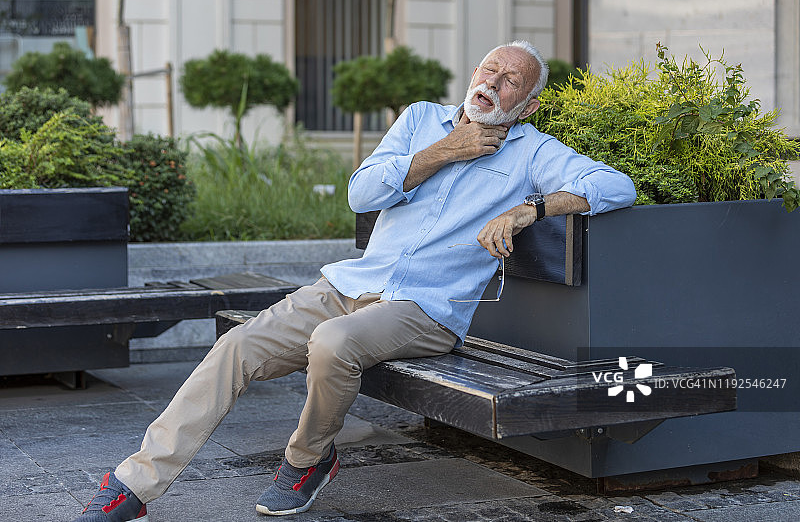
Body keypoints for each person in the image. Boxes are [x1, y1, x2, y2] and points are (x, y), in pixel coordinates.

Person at [72, 40, 636, 521]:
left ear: (528, 104)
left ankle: (306, 459)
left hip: (423, 308)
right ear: (473, 74)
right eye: (489, 69)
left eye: (511, 80)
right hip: (346, 285)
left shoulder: (530, 151)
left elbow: (615, 186)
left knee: (333, 343)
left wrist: (530, 209)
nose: (493, 82)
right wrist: (444, 152)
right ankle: (136, 484)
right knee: (234, 347)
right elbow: (361, 192)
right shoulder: (420, 121)